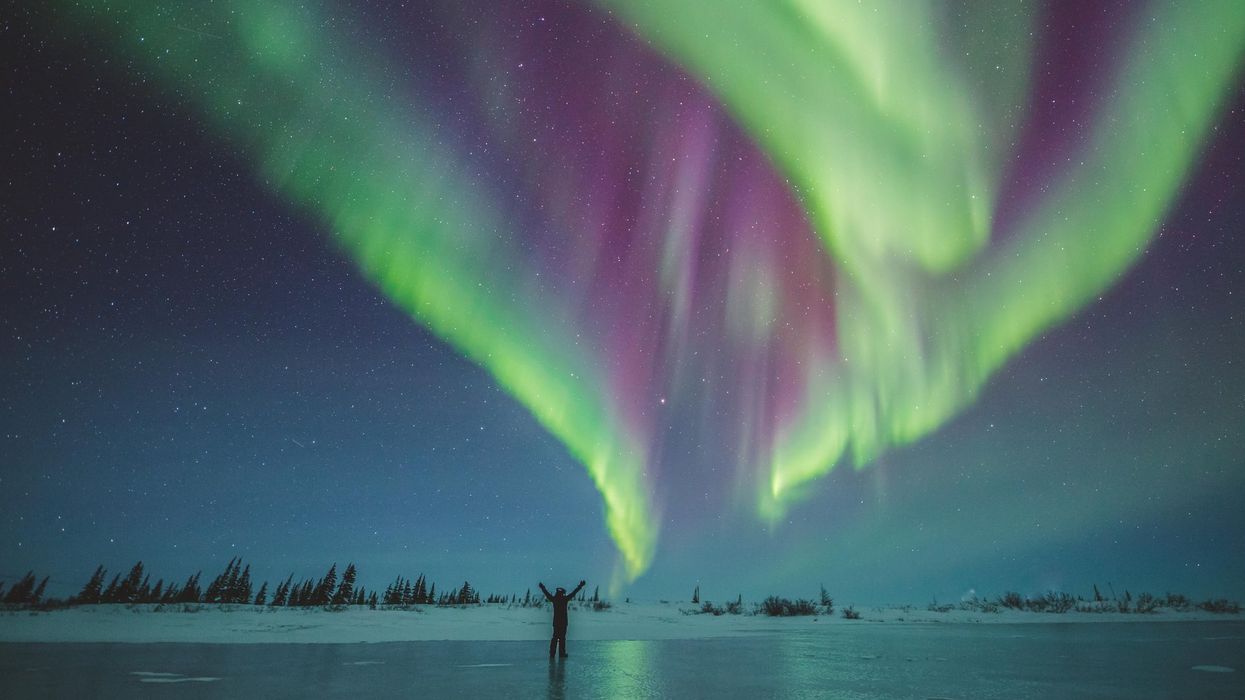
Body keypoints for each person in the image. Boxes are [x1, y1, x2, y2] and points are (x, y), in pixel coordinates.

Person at [539, 579, 585, 658]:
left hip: (556, 622)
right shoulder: (564, 599)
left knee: (555, 638)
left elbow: (546, 594)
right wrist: (580, 586)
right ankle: (562, 653)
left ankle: (552, 653)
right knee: (562, 638)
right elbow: (574, 593)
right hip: (563, 622)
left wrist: (542, 587)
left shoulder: (555, 599)